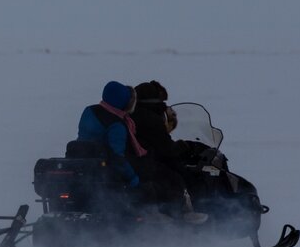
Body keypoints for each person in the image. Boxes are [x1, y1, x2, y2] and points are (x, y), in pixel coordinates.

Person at [78, 81, 206, 224]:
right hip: (112, 166)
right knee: (169, 176)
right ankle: (177, 214)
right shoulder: (117, 125)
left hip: (91, 161)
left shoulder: (90, 111)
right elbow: (117, 155)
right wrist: (133, 179)